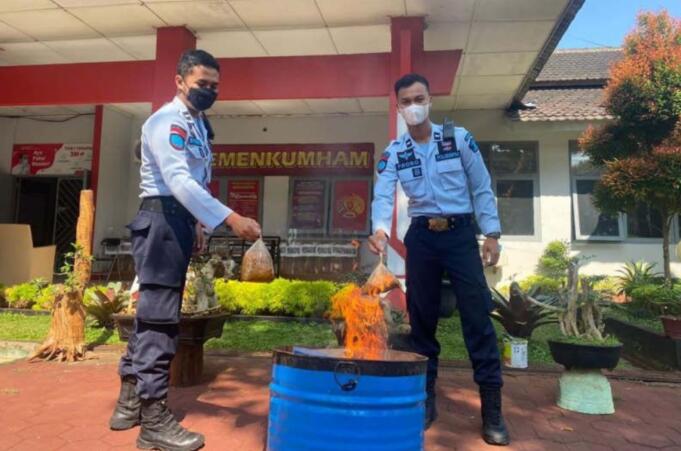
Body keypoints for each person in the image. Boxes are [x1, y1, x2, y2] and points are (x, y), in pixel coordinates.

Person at [108, 49, 261, 451]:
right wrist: (230, 218)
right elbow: (177, 180)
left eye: (214, 86)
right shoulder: (167, 122)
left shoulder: (197, 125)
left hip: (175, 221)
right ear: (179, 81)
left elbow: (195, 180)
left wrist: (195, 223)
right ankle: (153, 419)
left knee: (153, 314)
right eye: (201, 84)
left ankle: (128, 402)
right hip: (160, 220)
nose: (208, 91)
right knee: (159, 320)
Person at [368, 73, 509, 446]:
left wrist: (492, 233)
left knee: (477, 318)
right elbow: (383, 193)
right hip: (423, 238)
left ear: (430, 100)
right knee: (422, 321)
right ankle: (426, 398)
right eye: (406, 101)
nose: (414, 106)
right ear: (398, 107)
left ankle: (492, 409)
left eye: (420, 99)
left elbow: (481, 186)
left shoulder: (458, 139)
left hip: (461, 236)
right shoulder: (395, 152)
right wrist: (380, 230)